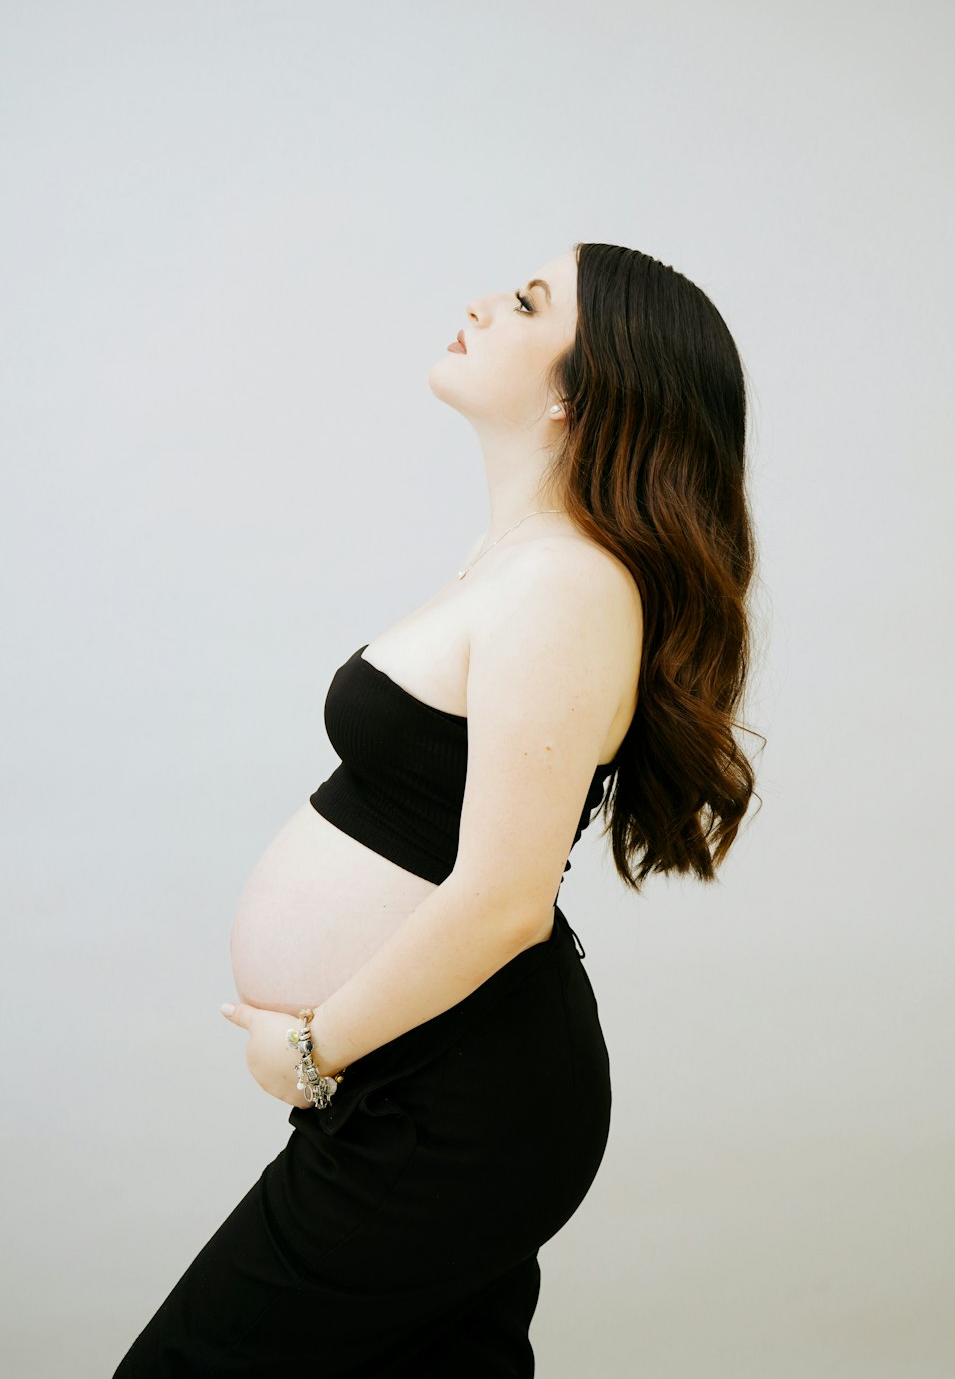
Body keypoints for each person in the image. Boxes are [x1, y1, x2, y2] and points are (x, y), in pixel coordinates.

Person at [112, 240, 760, 1376]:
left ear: (580, 390)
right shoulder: (522, 561)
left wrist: (309, 1053)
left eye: (526, 302)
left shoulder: (567, 585)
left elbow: (504, 901)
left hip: (458, 1100)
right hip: (434, 1079)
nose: (481, 302)